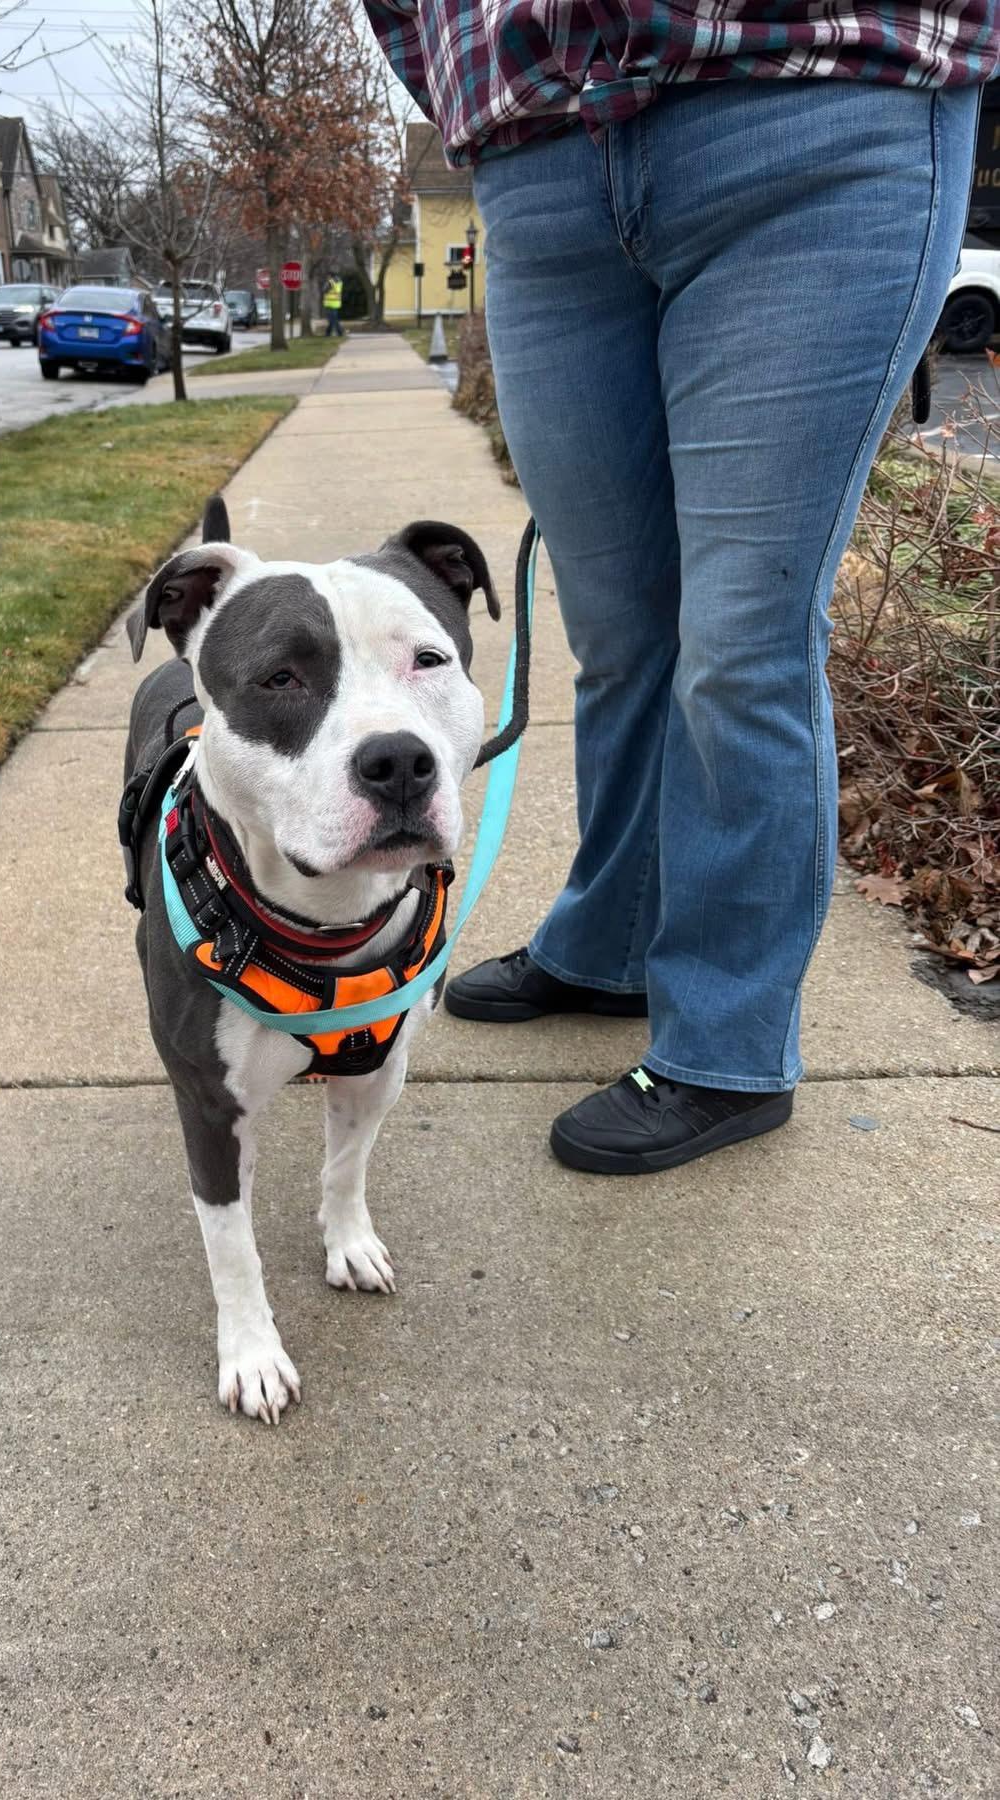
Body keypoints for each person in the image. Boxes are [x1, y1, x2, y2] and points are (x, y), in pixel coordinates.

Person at [364, 2, 997, 1175]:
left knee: (743, 644)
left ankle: (727, 1045)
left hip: (817, 110)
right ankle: (608, 948)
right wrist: (472, 82)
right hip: (541, 165)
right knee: (618, 637)